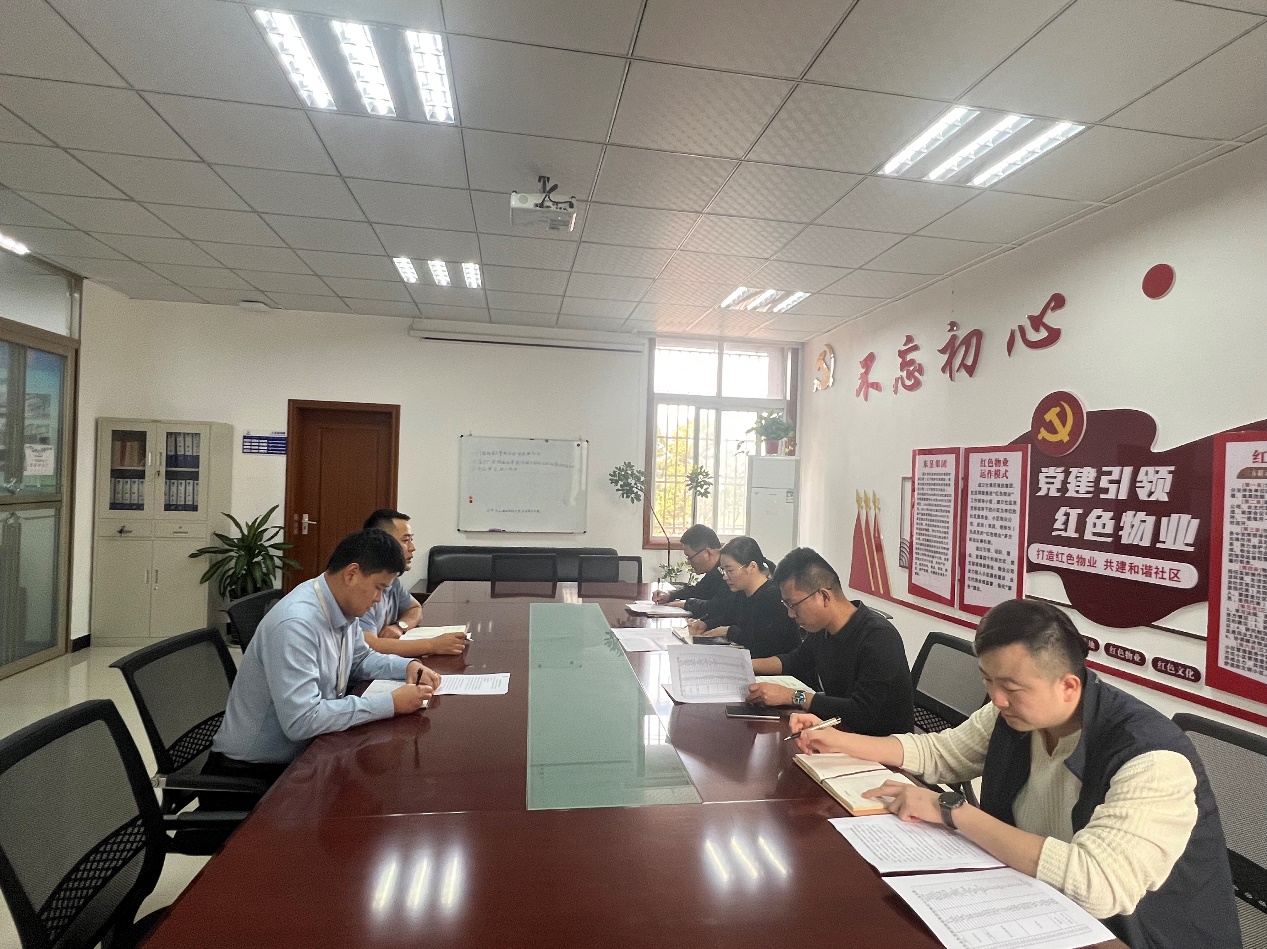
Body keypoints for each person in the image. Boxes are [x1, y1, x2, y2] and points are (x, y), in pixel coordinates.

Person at [793, 599, 1240, 949]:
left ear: (1068, 685)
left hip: (1130, 936)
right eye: (988, 681)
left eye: (1010, 687)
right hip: (1039, 904)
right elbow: (943, 753)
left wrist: (951, 809)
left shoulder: (1151, 758)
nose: (996, 699)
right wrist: (840, 741)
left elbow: (1098, 884)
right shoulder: (1015, 716)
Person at [208, 529, 441, 791]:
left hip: (308, 754)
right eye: (378, 588)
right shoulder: (296, 624)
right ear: (352, 574)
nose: (378, 600)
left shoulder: (341, 604)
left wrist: (407, 666)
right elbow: (302, 721)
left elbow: (360, 659)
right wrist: (390, 703)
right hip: (254, 776)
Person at [746, 547, 913, 735]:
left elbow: (862, 712)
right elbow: (795, 661)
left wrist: (794, 696)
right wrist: (746, 665)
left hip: (880, 743)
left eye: (793, 604)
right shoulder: (823, 629)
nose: (790, 614)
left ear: (824, 596)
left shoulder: (879, 638)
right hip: (841, 731)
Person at [360, 508, 467, 657]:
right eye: (405, 540)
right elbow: (369, 645)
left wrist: (400, 626)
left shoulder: (393, 581)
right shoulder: (363, 585)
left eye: (411, 540)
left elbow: (415, 608)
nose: (412, 548)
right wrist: (432, 645)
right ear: (382, 543)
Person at [686, 536, 799, 659]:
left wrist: (729, 631)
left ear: (752, 567)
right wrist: (705, 625)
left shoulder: (773, 596)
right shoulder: (741, 592)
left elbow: (763, 643)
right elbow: (730, 617)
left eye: (730, 570)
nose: (725, 576)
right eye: (723, 570)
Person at [651, 525, 730, 624]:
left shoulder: (726, 572)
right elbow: (698, 591)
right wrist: (670, 595)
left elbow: (716, 607)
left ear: (708, 553)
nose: (688, 562)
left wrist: (685, 604)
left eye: (689, 557)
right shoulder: (714, 571)